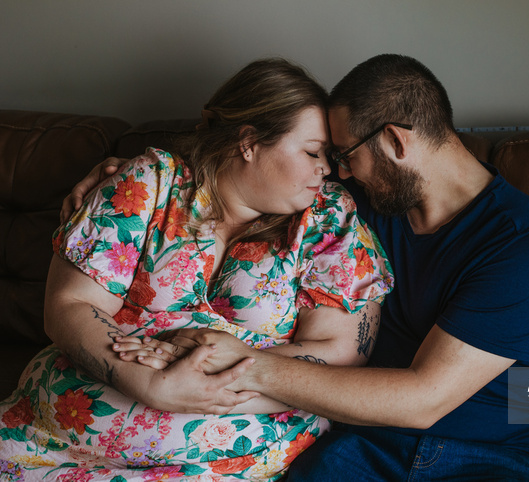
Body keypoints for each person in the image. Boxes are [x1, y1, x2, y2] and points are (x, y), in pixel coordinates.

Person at [62, 54, 529, 480]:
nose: (333, 171)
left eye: (344, 155)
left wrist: (246, 364)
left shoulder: (522, 248)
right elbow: (246, 163)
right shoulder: (368, 200)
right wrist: (119, 173)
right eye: (327, 156)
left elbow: (422, 399)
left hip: (493, 456)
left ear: (395, 143)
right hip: (364, 443)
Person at [0, 58, 394, 481]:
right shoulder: (150, 183)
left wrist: (201, 371)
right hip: (50, 438)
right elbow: (70, 304)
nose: (327, 169)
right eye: (313, 152)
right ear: (249, 142)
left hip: (222, 459)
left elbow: (339, 355)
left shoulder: (328, 218)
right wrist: (150, 384)